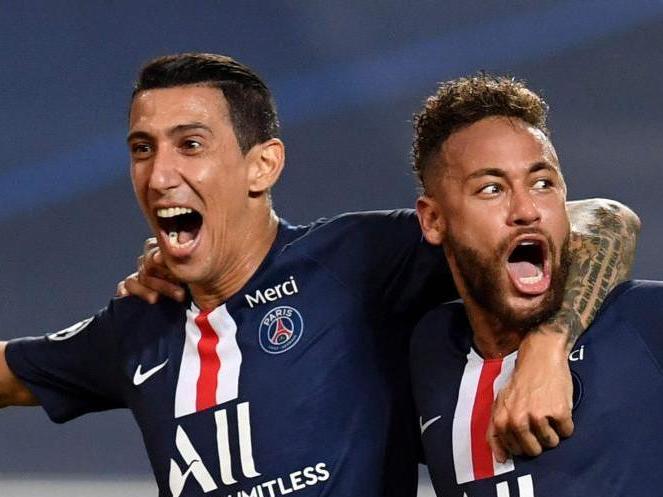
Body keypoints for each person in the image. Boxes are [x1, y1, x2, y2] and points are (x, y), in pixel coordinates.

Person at [0, 54, 637, 497]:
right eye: (143, 148)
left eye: (190, 145)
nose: (159, 173)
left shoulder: (357, 263)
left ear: (262, 166)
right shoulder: (140, 322)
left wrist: (548, 348)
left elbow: (598, 219)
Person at [410, 74, 657, 496]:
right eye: (491, 189)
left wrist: (548, 344)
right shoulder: (429, 352)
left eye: (543, 183)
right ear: (433, 220)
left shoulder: (644, 322)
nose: (526, 210)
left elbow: (608, 215)